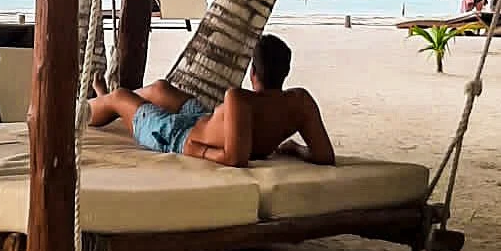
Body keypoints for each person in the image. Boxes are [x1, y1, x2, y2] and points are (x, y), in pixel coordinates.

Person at [89, 34, 335, 168]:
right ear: (286, 71)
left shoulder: (239, 99)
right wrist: (295, 149)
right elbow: (324, 155)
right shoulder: (300, 101)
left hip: (177, 136)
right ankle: (106, 101)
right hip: (204, 119)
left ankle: (87, 108)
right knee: (160, 88)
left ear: (253, 73)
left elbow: (235, 159)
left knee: (121, 96)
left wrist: (200, 151)